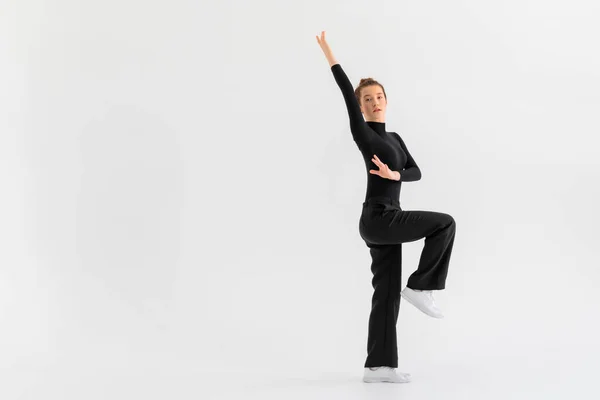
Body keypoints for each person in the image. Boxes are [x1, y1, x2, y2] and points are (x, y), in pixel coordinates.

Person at [316, 31, 457, 384]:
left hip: (389, 216)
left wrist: (395, 172)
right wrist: (332, 57)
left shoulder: (394, 139)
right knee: (445, 224)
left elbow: (416, 171)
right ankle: (421, 286)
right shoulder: (365, 134)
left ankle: (378, 366)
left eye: (379, 96)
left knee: (385, 292)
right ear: (361, 105)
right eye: (367, 98)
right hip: (378, 217)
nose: (374, 101)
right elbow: (345, 94)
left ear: (386, 101)